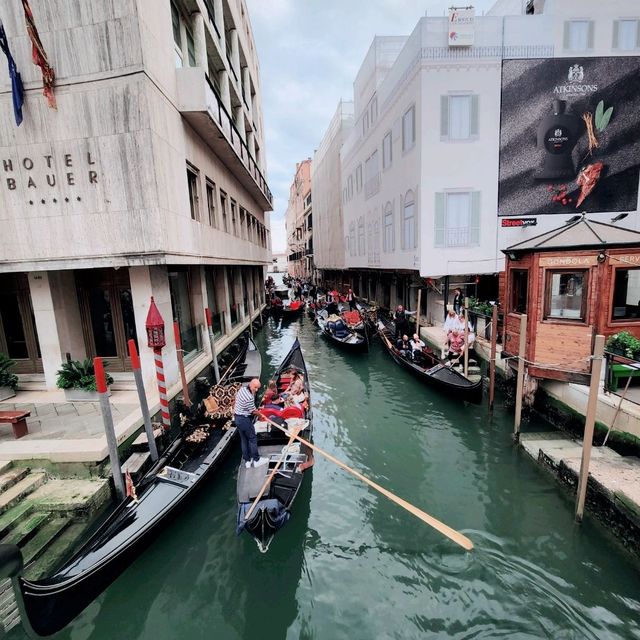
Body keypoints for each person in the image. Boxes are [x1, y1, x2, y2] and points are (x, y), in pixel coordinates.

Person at [233, 378, 268, 469]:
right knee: (252, 438)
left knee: (244, 439)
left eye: (258, 388)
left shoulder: (242, 389)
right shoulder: (249, 397)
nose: (256, 390)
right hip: (244, 420)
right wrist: (261, 416)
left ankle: (247, 461)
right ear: (251, 385)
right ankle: (257, 460)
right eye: (255, 388)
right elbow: (253, 411)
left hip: (237, 418)